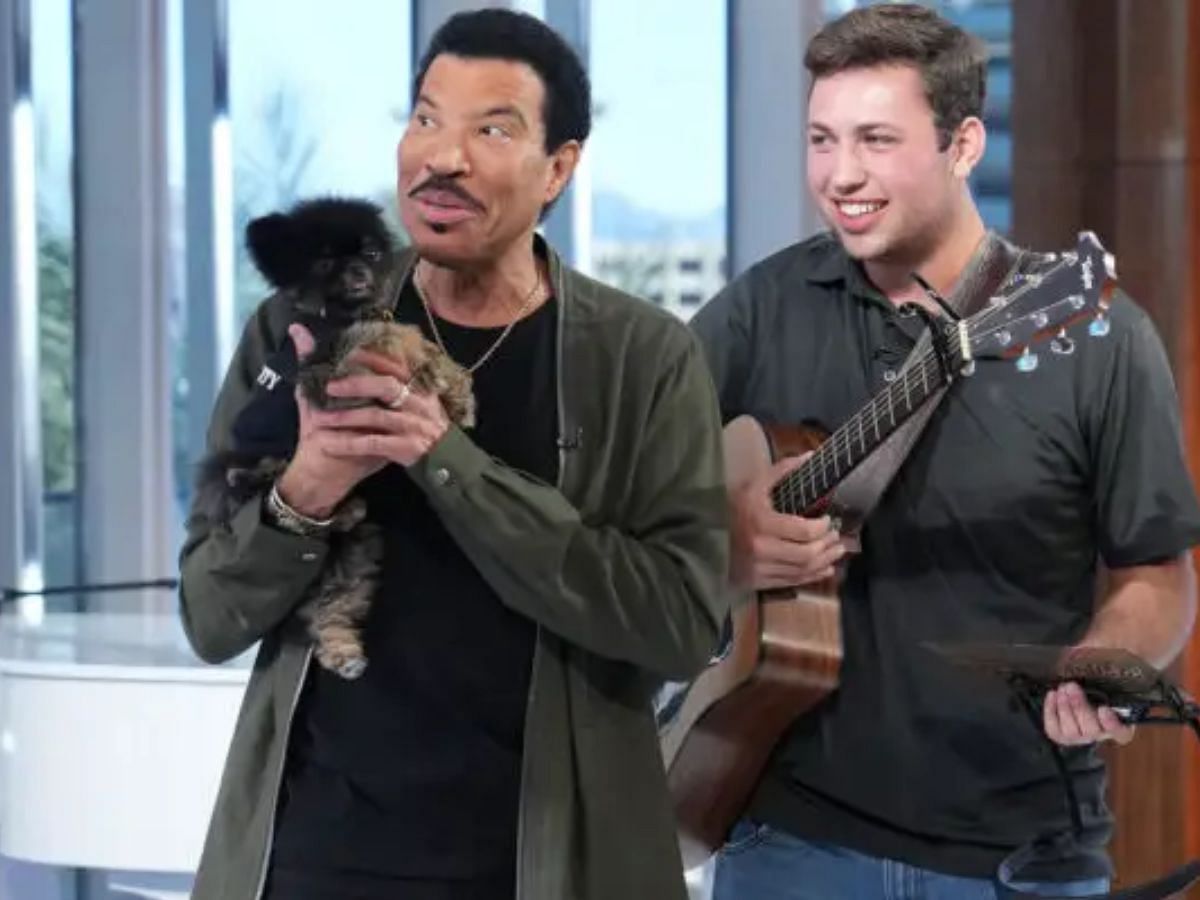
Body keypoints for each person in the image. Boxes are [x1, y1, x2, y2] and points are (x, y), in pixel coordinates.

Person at [180, 9, 728, 900]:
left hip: (549, 859)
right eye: (426, 118)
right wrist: (308, 486)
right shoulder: (301, 326)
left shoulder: (642, 357)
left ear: (561, 166)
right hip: (315, 858)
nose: (442, 157)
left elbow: (678, 624)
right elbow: (208, 615)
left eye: (492, 129)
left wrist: (447, 459)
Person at [689, 4, 1200, 899]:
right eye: (821, 139)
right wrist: (722, 536)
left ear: (965, 145)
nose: (839, 175)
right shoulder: (760, 307)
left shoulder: (1100, 336)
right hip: (786, 836)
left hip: (1020, 854)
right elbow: (622, 501)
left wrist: (1107, 662)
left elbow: (1157, 573)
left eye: (876, 140)